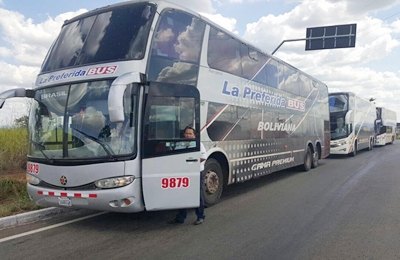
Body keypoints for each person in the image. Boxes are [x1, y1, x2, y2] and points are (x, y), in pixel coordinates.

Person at [169, 126, 206, 225]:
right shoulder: (180, 144)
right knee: (182, 195)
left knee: (197, 195)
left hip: (196, 172)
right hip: (183, 173)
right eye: (186, 133)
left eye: (190, 134)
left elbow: (203, 157)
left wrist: (190, 162)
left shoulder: (199, 144)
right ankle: (180, 218)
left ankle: (200, 216)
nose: (188, 135)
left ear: (194, 135)